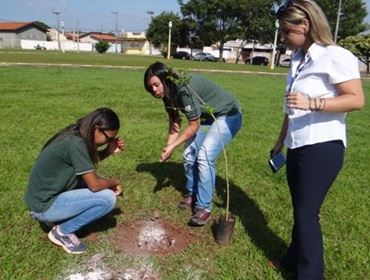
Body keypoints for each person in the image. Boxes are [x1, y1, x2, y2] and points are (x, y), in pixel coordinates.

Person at [270, 0, 365, 278]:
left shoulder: (335, 55)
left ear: (305, 25)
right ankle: (292, 258)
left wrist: (312, 102)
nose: (284, 38)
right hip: (297, 144)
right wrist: (280, 141)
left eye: (287, 32)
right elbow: (291, 107)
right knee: (300, 208)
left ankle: (310, 274)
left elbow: (357, 100)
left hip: (323, 147)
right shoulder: (298, 59)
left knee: (307, 213)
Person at [143, 62, 243, 226]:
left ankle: (204, 208)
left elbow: (194, 125)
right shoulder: (168, 94)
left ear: (166, 80)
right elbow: (174, 124)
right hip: (207, 118)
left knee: (204, 156)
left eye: (156, 84)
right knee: (189, 155)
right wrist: (167, 147)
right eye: (150, 87)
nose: (154, 90)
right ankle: (193, 193)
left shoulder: (184, 88)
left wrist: (172, 146)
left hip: (228, 115)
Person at [24, 107, 125, 254]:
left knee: (102, 184)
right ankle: (62, 232)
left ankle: (58, 218)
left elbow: (84, 163)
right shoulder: (76, 144)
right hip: (43, 206)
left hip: (41, 198)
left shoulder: (75, 135)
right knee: (108, 198)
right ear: (96, 129)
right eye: (108, 138)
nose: (108, 142)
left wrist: (108, 151)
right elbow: (95, 186)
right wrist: (113, 181)